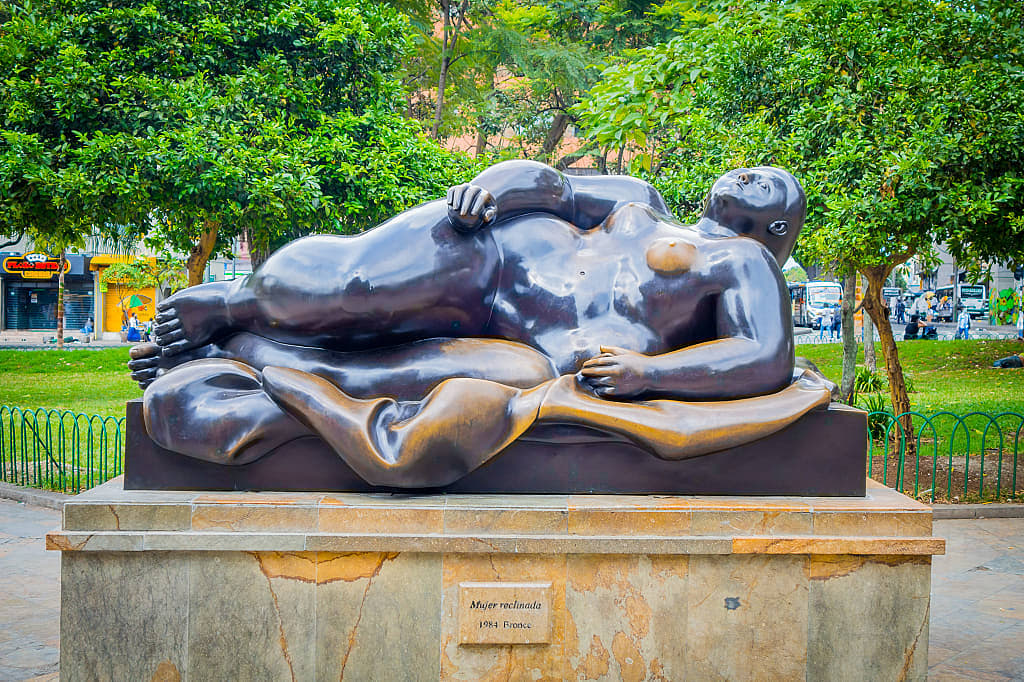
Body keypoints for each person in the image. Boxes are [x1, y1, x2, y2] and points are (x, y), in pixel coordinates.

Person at [128, 161, 831, 485]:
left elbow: (763, 357)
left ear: (776, 226)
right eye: (752, 168)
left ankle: (239, 353)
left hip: (532, 350)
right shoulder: (641, 198)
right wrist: (491, 188)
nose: (751, 172)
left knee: (381, 374)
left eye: (769, 182)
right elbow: (555, 185)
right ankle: (228, 306)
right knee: (354, 287)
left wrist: (650, 373)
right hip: (490, 253)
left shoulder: (745, 262)